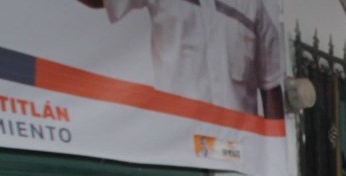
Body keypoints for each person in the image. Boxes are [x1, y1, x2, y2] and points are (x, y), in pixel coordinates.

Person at [77, 0, 284, 118]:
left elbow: (271, 87)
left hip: (236, 146)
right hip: (178, 136)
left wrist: (272, 154)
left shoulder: (252, 5)